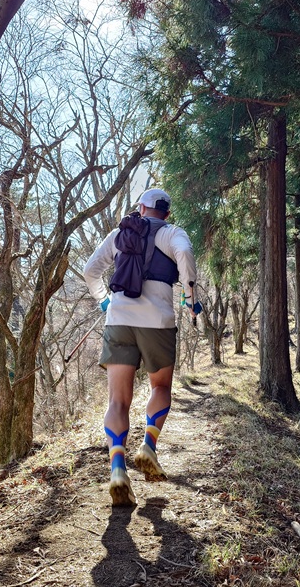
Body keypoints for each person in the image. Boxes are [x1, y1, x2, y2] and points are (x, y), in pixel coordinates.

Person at [83, 188, 199, 506]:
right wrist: (191, 300)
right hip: (157, 322)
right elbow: (185, 255)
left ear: (141, 208)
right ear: (167, 213)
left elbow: (91, 271)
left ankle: (118, 470)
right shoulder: (173, 233)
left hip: (119, 319)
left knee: (117, 401)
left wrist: (104, 300)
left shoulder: (120, 233)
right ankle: (148, 445)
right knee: (160, 387)